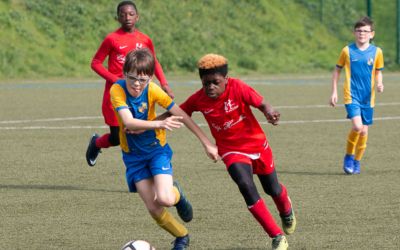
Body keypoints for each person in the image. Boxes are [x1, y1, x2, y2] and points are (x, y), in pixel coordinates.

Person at [178, 54, 296, 250]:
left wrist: (270, 112)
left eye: (215, 83)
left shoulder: (238, 87)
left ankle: (286, 209)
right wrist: (150, 124)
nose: (210, 88)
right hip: (231, 151)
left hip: (257, 145)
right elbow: (179, 112)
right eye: (205, 83)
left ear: (226, 79)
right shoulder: (199, 99)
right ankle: (276, 236)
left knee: (272, 189)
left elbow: (262, 104)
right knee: (245, 184)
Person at [110, 48, 219, 250]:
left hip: (156, 150)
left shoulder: (152, 90)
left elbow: (181, 114)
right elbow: (128, 123)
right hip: (133, 157)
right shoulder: (117, 89)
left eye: (142, 80)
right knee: (153, 207)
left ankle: (177, 193)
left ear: (150, 78)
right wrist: (158, 124)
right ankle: (182, 236)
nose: (136, 84)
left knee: (165, 198)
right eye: (131, 78)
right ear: (124, 74)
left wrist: (206, 142)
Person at [86, 0, 174, 167]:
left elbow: (154, 61)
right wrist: (116, 80)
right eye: (123, 14)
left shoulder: (145, 40)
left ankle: (145, 170)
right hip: (116, 93)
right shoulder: (111, 39)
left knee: (137, 132)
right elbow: (96, 63)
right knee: (117, 137)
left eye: (131, 14)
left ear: (137, 17)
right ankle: (97, 143)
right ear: (118, 18)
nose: (127, 17)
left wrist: (164, 83)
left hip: (138, 92)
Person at [330, 16, 384, 175]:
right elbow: (337, 70)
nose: (362, 34)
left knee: (364, 132)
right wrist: (334, 91)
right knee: (357, 127)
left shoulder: (377, 52)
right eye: (359, 31)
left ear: (372, 34)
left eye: (365, 31)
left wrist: (380, 83)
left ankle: (357, 161)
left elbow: (378, 72)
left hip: (368, 97)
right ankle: (349, 156)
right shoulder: (347, 50)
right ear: (354, 32)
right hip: (351, 95)